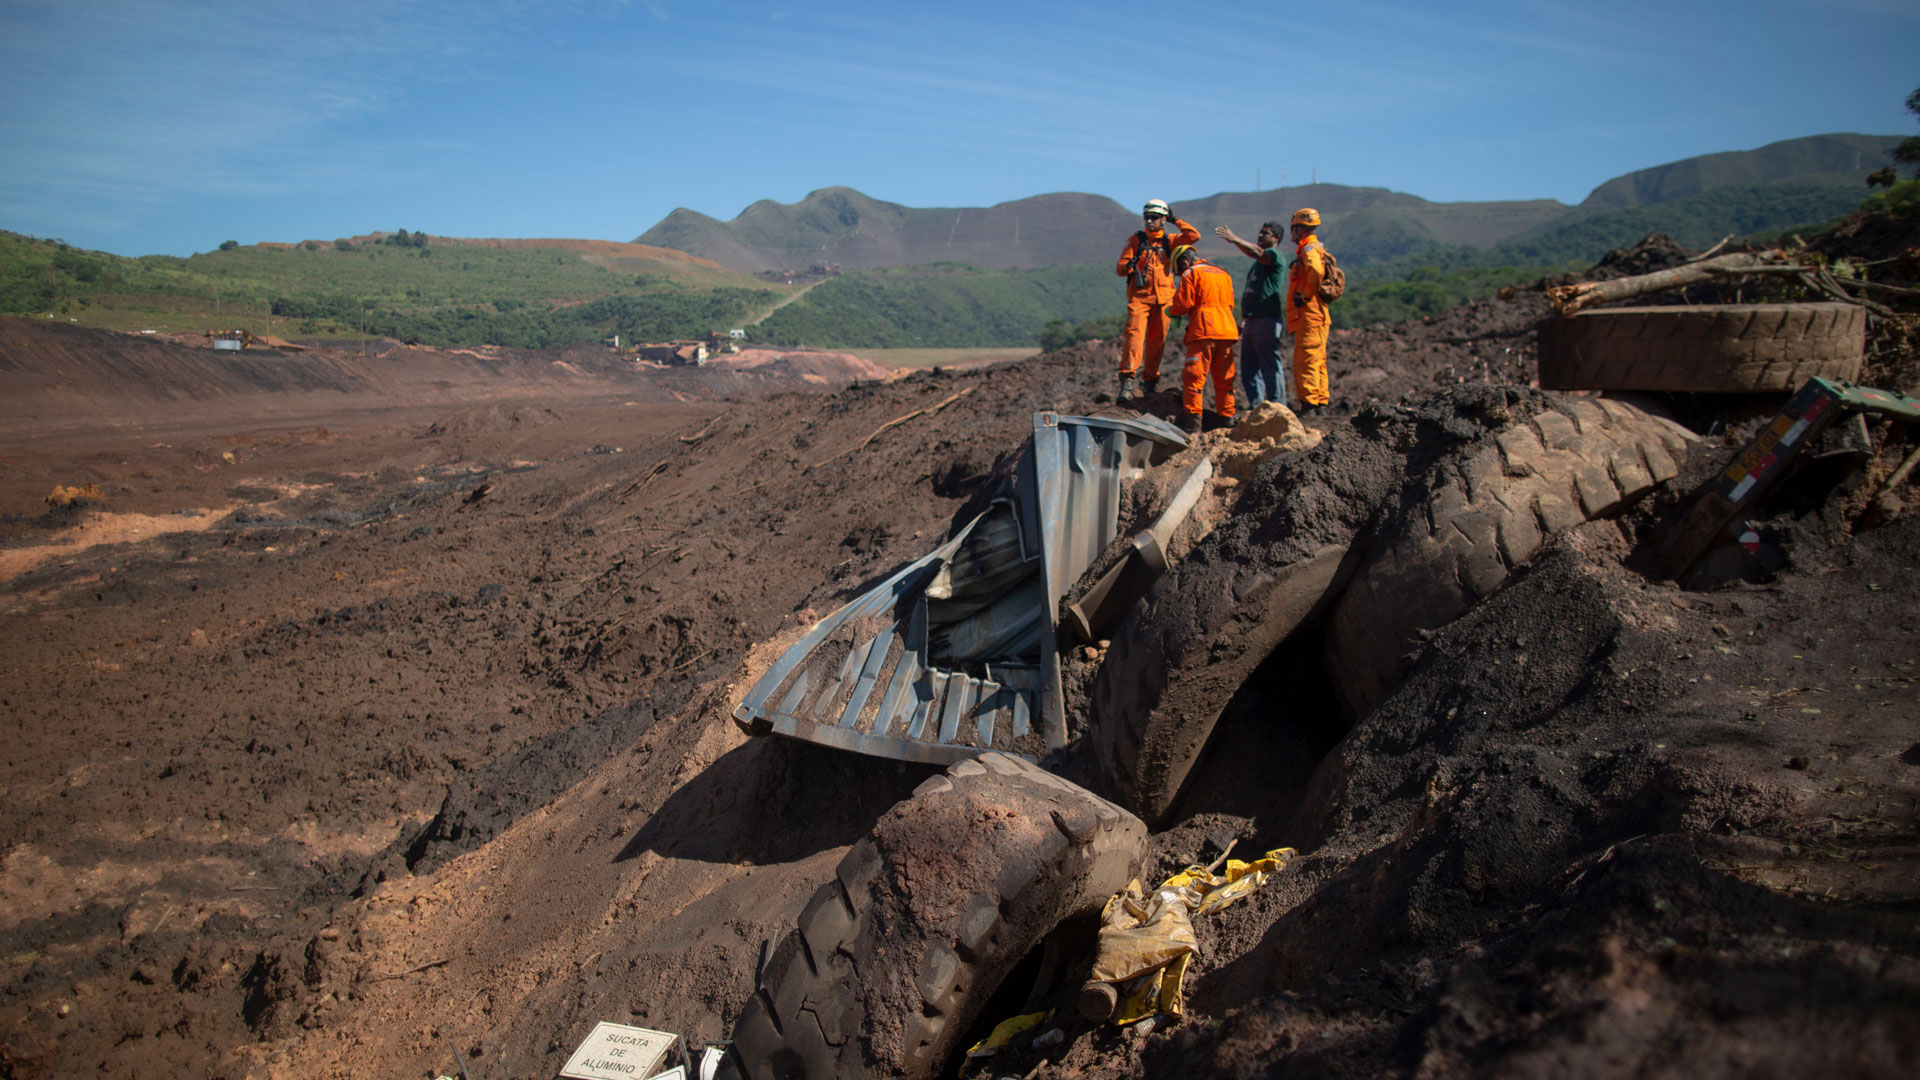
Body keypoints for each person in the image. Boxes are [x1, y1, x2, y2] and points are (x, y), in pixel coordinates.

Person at [1114, 199, 1200, 401]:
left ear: (1163, 219)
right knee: (1134, 339)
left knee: (1157, 343)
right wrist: (1131, 265)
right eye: (1147, 217)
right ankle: (1127, 381)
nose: (1149, 221)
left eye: (1154, 218)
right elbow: (1120, 268)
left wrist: (1176, 220)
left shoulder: (1169, 241)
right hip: (1139, 299)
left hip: (1164, 300)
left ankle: (1150, 383)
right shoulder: (1136, 240)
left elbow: (1194, 236)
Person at [1166, 244, 1240, 432]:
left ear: (1184, 261)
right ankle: (1227, 419)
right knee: (1225, 379)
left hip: (1203, 330)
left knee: (1194, 377)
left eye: (1179, 269)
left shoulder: (1190, 273)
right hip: (1227, 329)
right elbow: (1230, 304)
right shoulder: (1223, 274)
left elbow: (1184, 303)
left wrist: (1171, 311)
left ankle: (1194, 424)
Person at [1214, 221, 1285, 408]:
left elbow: (1260, 254)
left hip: (1267, 318)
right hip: (1253, 320)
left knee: (1269, 364)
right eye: (1260, 233)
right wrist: (1245, 318)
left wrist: (1234, 239)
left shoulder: (1274, 256)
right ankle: (1257, 408)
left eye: (1266, 233)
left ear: (1276, 238)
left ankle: (1278, 408)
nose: (1261, 236)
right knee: (1250, 369)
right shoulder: (1256, 266)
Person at [1285, 208, 1333, 416]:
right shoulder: (1314, 248)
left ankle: (1310, 405)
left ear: (1299, 229)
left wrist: (1304, 295)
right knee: (1317, 360)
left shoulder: (1308, 250)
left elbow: (1314, 269)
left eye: (1293, 229)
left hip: (1309, 315)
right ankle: (1320, 403)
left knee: (1306, 360)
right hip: (1317, 316)